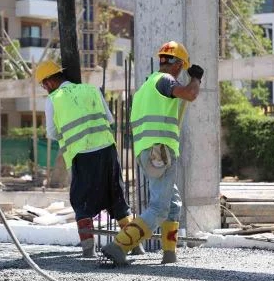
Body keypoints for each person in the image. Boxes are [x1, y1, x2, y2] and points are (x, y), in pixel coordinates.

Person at [101, 41, 203, 267]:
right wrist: (195, 78)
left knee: (173, 204)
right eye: (182, 67)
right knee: (159, 207)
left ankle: (169, 254)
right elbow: (190, 94)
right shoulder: (165, 80)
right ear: (178, 65)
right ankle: (119, 245)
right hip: (161, 151)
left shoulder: (145, 87)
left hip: (149, 153)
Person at [36, 60, 142, 257]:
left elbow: (51, 133)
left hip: (81, 155)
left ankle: (88, 249)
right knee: (117, 197)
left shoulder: (53, 100)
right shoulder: (92, 90)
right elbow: (109, 119)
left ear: (49, 82)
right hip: (108, 149)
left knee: (81, 201)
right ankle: (135, 245)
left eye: (43, 85)